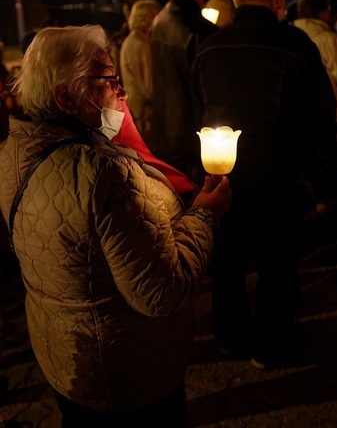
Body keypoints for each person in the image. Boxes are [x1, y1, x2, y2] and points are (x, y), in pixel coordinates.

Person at [0, 24, 231, 427]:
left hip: (65, 353)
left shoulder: (13, 152)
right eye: (109, 79)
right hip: (125, 371)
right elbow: (161, 290)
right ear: (66, 96)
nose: (121, 92)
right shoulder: (101, 174)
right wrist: (206, 215)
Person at [193, 0, 336, 370]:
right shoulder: (296, 47)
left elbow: (196, 112)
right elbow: (320, 116)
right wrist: (317, 177)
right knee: (278, 267)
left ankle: (230, 336)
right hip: (281, 179)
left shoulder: (208, 48)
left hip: (223, 180)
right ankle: (271, 346)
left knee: (228, 264)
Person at [150, 0, 218, 182]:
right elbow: (210, 96)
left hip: (163, 136)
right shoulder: (202, 31)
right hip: (194, 144)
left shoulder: (158, 21)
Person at [294, 0, 337, 123]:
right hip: (330, 117)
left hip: (298, 115)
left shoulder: (290, 36)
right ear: (322, 13)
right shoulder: (329, 40)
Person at [120, 0, 162, 148]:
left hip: (135, 108)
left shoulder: (131, 41)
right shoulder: (140, 44)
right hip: (144, 113)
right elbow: (149, 85)